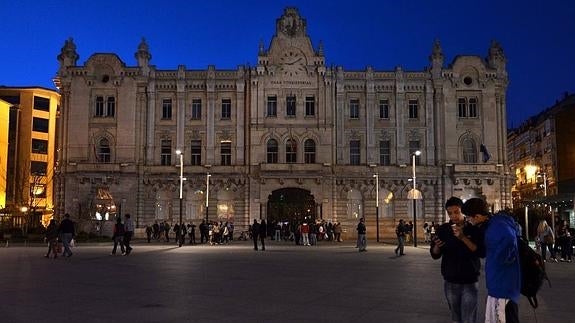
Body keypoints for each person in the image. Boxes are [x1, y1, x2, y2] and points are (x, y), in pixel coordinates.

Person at [463, 198, 520, 323]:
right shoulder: (492, 224)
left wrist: (499, 259)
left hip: (503, 286)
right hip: (498, 284)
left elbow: (510, 240)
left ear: (477, 216)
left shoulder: (497, 225)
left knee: (505, 318)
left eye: (468, 217)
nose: (467, 220)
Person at [430, 197, 483, 323]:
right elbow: (435, 255)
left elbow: (479, 251)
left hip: (470, 281)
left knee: (469, 318)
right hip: (450, 281)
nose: (453, 216)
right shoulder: (443, 229)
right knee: (456, 318)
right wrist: (437, 245)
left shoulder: (472, 228)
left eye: (456, 212)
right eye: (450, 213)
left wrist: (463, 237)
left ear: (462, 211)